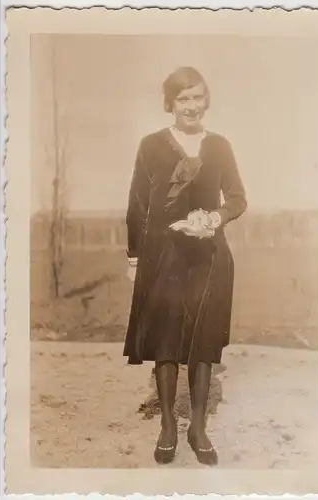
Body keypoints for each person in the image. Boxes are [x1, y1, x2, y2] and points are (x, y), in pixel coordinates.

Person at [123, 66, 247, 466]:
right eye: (183, 99)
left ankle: (197, 427)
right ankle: (166, 426)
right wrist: (133, 257)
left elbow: (238, 198)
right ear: (170, 104)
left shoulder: (220, 146)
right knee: (165, 340)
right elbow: (137, 206)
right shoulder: (150, 146)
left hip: (209, 257)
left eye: (197, 97)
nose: (191, 106)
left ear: (206, 100)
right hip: (163, 257)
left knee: (203, 341)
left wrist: (214, 218)